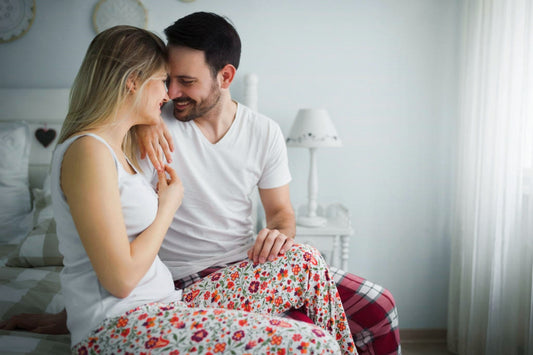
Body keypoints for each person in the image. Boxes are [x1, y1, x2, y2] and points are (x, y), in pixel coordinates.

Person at [10, 24, 352, 354]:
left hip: (161, 306)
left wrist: (148, 122)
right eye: (162, 81)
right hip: (123, 325)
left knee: (305, 259)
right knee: (316, 343)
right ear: (132, 82)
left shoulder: (109, 148)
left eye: (178, 82)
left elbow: (99, 253)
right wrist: (168, 207)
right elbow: (119, 280)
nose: (169, 94)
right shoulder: (88, 151)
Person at [137, 12, 401, 355]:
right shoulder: (152, 127)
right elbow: (118, 225)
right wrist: (144, 119)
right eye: (169, 80)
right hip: (184, 280)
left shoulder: (264, 132)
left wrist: (278, 234)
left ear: (226, 76)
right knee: (304, 330)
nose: (172, 92)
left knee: (380, 306)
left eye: (186, 81)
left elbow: (280, 213)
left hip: (248, 267)